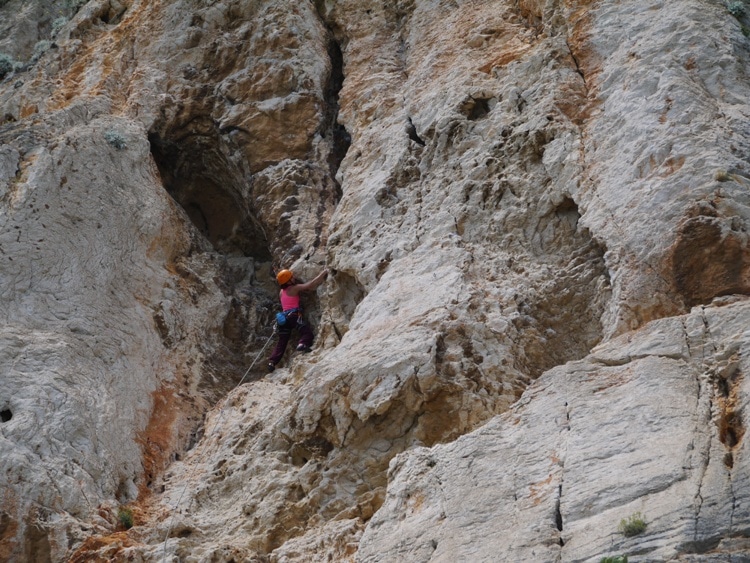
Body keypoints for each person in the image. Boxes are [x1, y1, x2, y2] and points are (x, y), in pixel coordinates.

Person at [267, 267, 329, 372]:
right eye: (291, 277)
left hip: (283, 319)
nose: (294, 277)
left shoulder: (281, 292)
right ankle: (302, 344)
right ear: (288, 281)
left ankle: (272, 362)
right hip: (293, 316)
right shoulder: (294, 288)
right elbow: (310, 284)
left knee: (282, 342)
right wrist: (324, 272)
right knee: (306, 333)